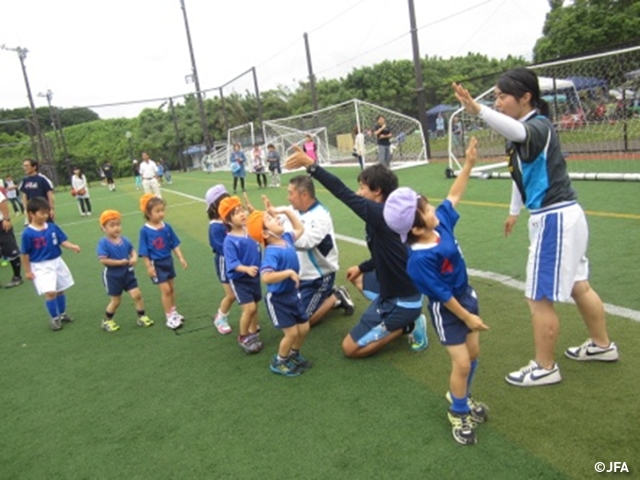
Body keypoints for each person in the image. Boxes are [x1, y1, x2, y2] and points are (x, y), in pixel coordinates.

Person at [452, 68, 619, 387]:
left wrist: (477, 109)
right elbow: (522, 175)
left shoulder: (537, 126)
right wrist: (514, 211)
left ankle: (545, 367)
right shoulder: (522, 131)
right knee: (578, 284)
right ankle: (602, 346)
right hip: (563, 215)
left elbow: (518, 134)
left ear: (526, 97)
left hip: (555, 218)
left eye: (502, 96)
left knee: (539, 297)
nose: (498, 102)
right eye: (496, 97)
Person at [383, 137, 490, 446]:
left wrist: (468, 163)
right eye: (426, 209)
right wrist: (468, 317)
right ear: (415, 228)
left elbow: (453, 195)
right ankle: (458, 412)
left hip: (466, 296)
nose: (433, 209)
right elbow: (442, 296)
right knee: (461, 362)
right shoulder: (419, 261)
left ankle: (463, 395)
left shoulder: (439, 226)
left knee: (473, 355)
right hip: (450, 310)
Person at [285, 152, 428, 358]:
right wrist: (361, 267)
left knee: (350, 349)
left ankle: (408, 325)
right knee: (357, 276)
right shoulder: (385, 214)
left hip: (402, 299)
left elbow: (342, 192)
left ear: (377, 191)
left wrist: (312, 166)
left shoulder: (381, 213)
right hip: (393, 287)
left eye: (362, 187)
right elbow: (387, 255)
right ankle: (392, 316)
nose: (358, 192)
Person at [247, 202, 311, 377]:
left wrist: (286, 210)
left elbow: (300, 228)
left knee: (304, 328)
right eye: (270, 219)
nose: (276, 218)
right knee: (291, 333)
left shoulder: (287, 239)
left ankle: (293, 354)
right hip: (278, 298)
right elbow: (266, 276)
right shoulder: (271, 252)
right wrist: (288, 272)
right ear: (266, 233)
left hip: (292, 294)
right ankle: (280, 361)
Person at [285, 175, 354, 326]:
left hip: (319, 276)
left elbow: (306, 242)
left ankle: (336, 296)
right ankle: (326, 294)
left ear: (304, 195)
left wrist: (280, 236)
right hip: (302, 274)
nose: (288, 198)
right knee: (287, 310)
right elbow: (281, 215)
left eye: (291, 193)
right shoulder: (294, 210)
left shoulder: (320, 216)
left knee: (302, 322)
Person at [21, 197, 80, 331]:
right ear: (31, 214)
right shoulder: (27, 233)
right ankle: (54, 318)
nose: (45, 215)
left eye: (46, 212)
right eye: (42, 213)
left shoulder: (52, 227)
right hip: (41, 265)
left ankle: (63, 313)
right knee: (50, 292)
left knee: (60, 289)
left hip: (57, 261)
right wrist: (27, 271)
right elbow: (25, 254)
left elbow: (61, 240)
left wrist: (72, 246)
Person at [218, 195, 263, 353]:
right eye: (236, 212)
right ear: (228, 220)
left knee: (255, 306)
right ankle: (243, 336)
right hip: (241, 280)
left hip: (254, 277)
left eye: (242, 210)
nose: (242, 214)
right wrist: (246, 269)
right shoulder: (229, 240)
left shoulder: (250, 230)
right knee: (249, 308)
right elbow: (232, 263)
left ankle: (253, 331)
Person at [97, 209, 154, 332]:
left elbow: (132, 251)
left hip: (128, 273)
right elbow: (103, 260)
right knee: (116, 301)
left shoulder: (125, 240)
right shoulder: (103, 243)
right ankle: (107, 320)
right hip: (113, 276)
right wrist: (119, 262)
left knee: (137, 295)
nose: (116, 228)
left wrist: (134, 257)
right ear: (104, 228)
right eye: (112, 225)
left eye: (118, 224)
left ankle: (141, 317)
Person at [138, 193, 188, 330]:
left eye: (162, 210)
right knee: (165, 290)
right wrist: (148, 267)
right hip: (157, 264)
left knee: (171, 288)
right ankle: (169, 317)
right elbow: (144, 252)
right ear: (148, 213)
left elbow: (174, 244)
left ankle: (173, 311)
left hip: (168, 261)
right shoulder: (145, 231)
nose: (161, 214)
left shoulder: (167, 227)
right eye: (157, 211)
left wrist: (181, 258)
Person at [205, 184, 235, 335]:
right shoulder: (215, 227)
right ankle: (220, 317)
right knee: (231, 295)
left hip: (236, 261)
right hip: (225, 262)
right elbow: (221, 248)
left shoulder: (227, 222)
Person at [0, 187, 23, 288]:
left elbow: (2, 202)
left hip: (1, 224)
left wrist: (6, 219)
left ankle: (17, 277)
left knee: (10, 249)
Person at [19, 158, 55, 223]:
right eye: (24, 166)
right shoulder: (25, 180)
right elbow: (24, 196)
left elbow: (49, 194)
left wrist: (51, 208)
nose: (25, 168)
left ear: (34, 167)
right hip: (32, 212)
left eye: (27, 166)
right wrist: (26, 210)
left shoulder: (42, 179)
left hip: (43, 209)